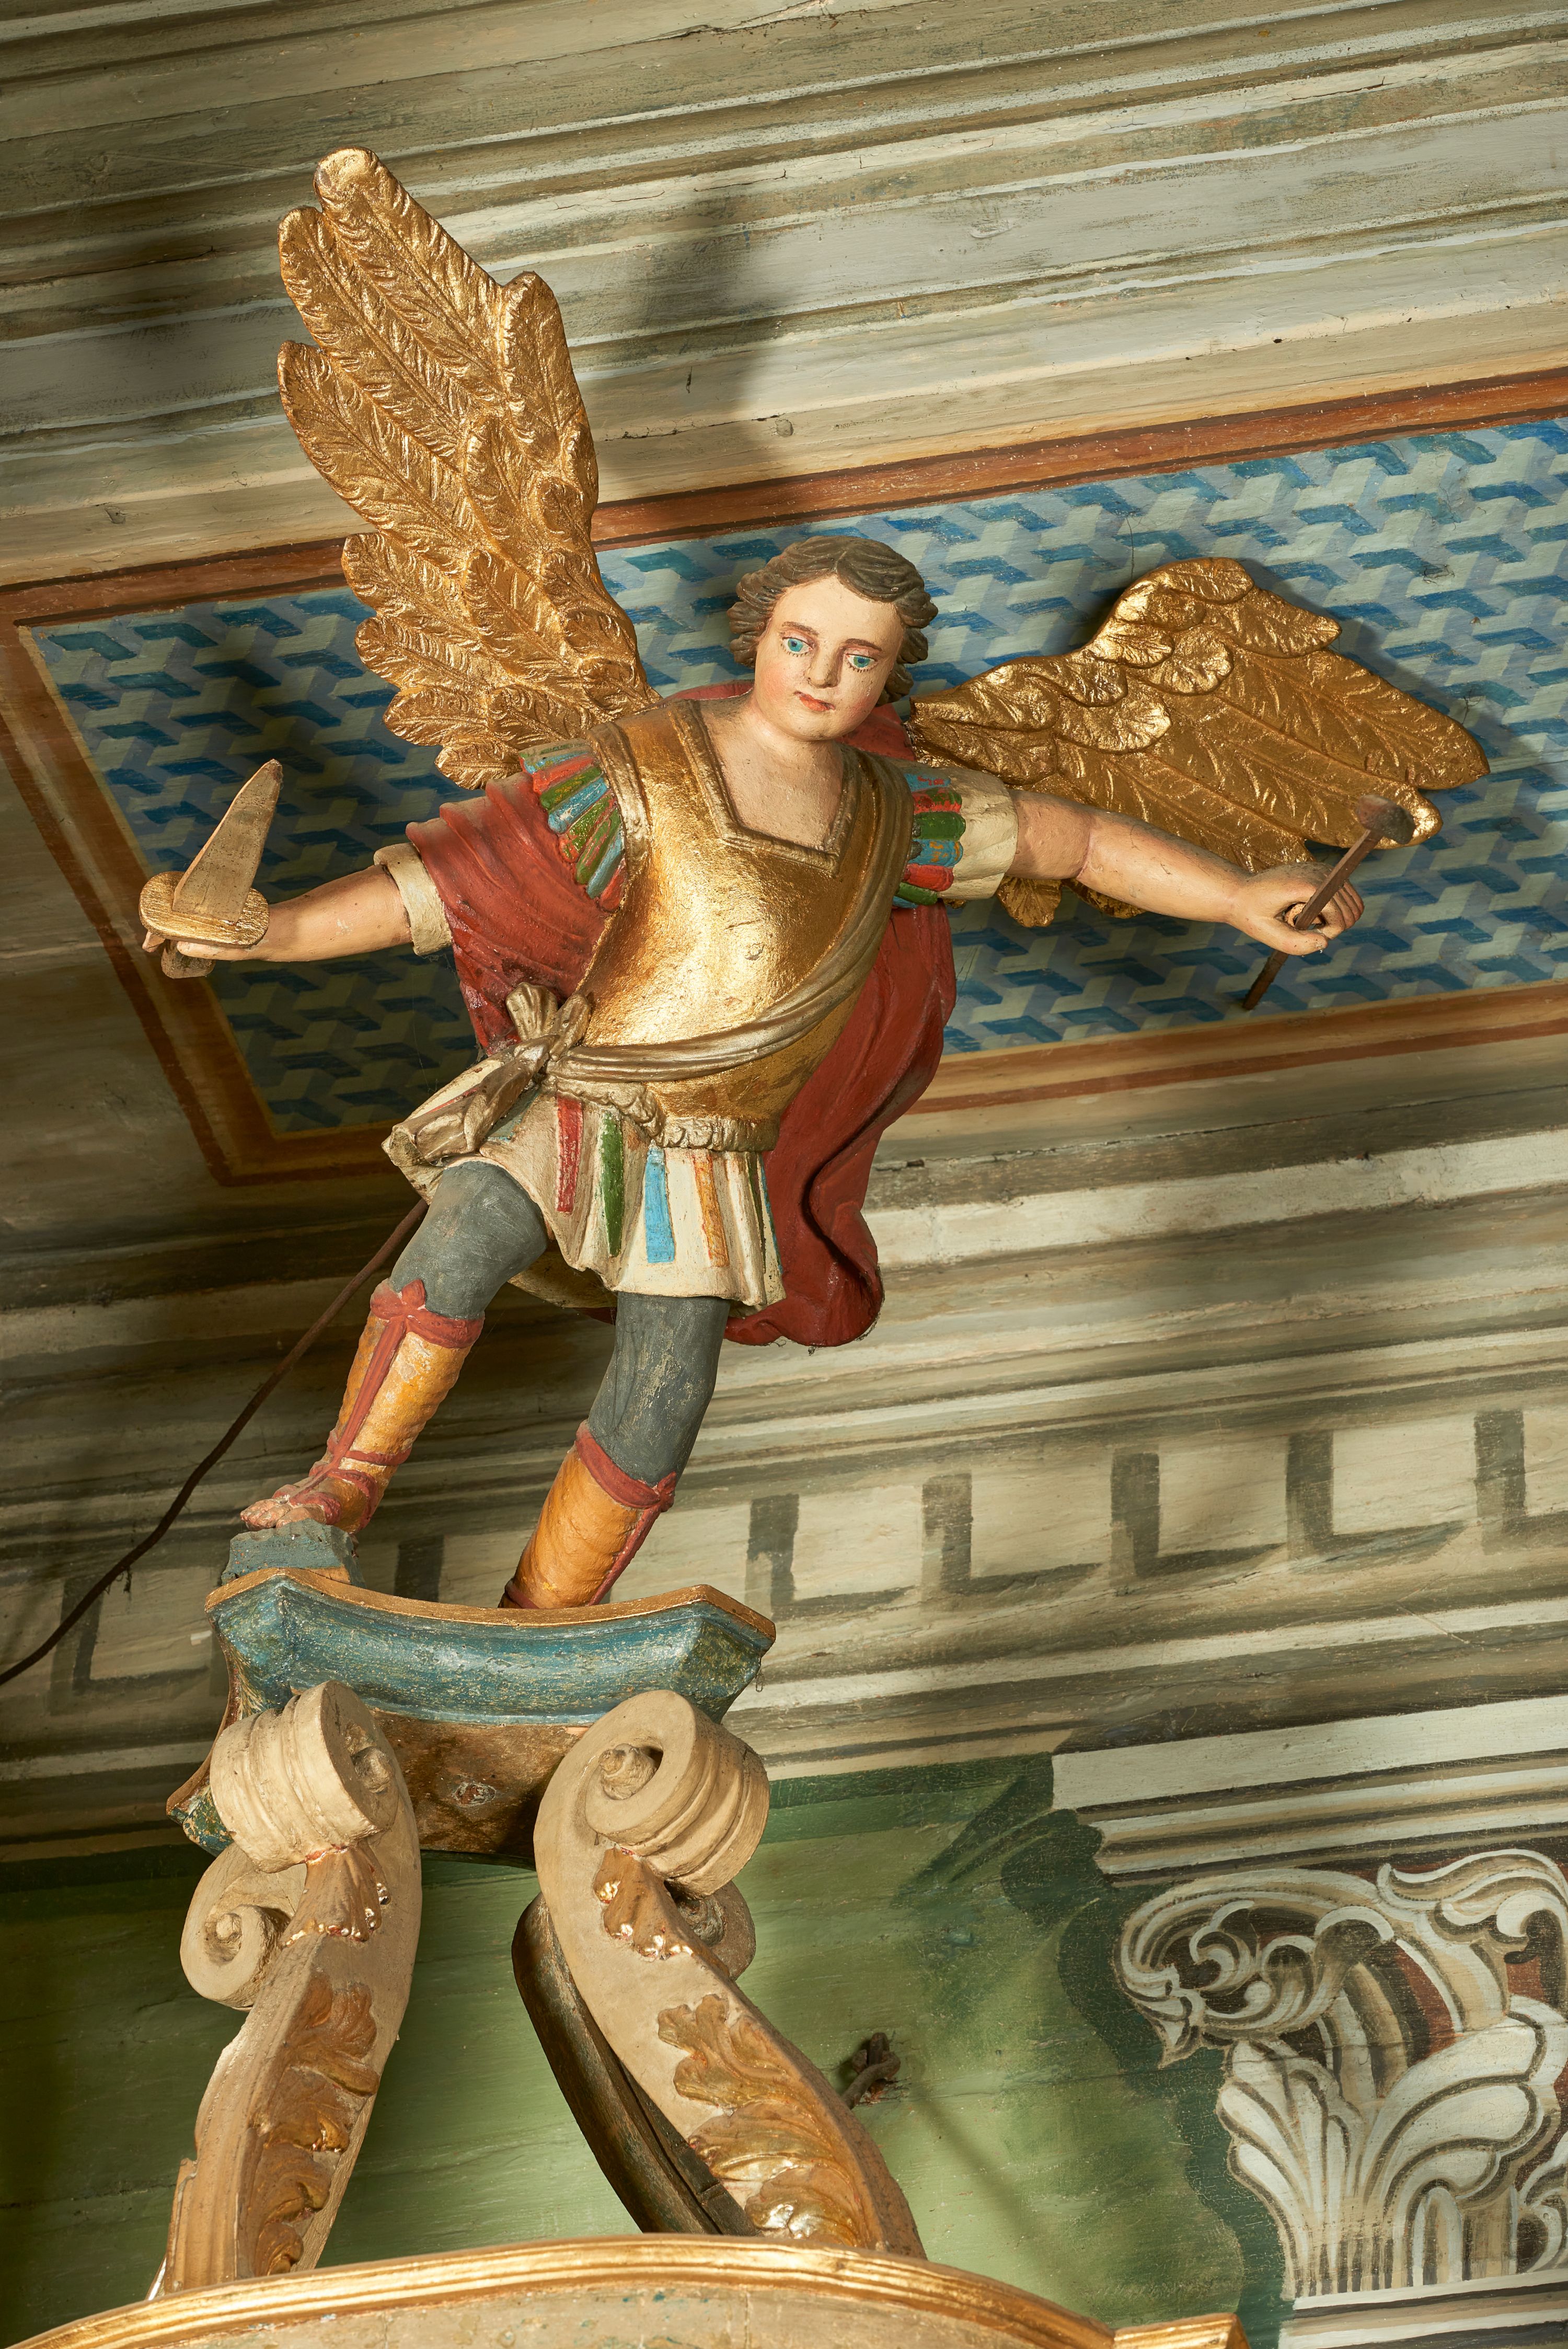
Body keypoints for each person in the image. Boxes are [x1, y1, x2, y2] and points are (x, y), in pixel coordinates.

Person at [144, 537, 1362, 1611]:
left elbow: (1075, 840)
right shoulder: (646, 766)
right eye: (800, 641)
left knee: (670, 1374)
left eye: (860, 658)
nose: (824, 675)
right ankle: (339, 1489)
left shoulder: (897, 816)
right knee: (464, 1229)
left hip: (711, 1146)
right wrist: (274, 934)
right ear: (758, 637)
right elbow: (454, 883)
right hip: (590, 1096)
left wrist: (1236, 897)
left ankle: (546, 1617)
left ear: (890, 675)